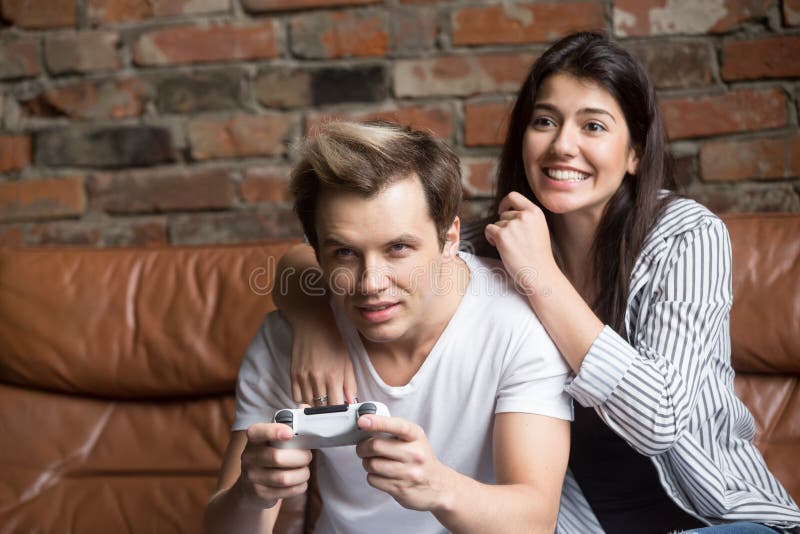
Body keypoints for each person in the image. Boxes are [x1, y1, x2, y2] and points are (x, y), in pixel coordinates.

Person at [273, 33, 800, 533]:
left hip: (720, 516)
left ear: (635, 153)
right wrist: (316, 323)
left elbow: (658, 422)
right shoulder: (490, 241)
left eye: (593, 126)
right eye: (545, 121)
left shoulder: (688, 236)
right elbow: (310, 256)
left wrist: (542, 277)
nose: (562, 146)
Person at [204, 121, 574, 534]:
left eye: (398, 248)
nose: (370, 283)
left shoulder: (514, 324)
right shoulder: (287, 339)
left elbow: (536, 522)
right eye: (344, 252)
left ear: (450, 236)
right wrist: (250, 495)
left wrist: (438, 487)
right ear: (318, 253)